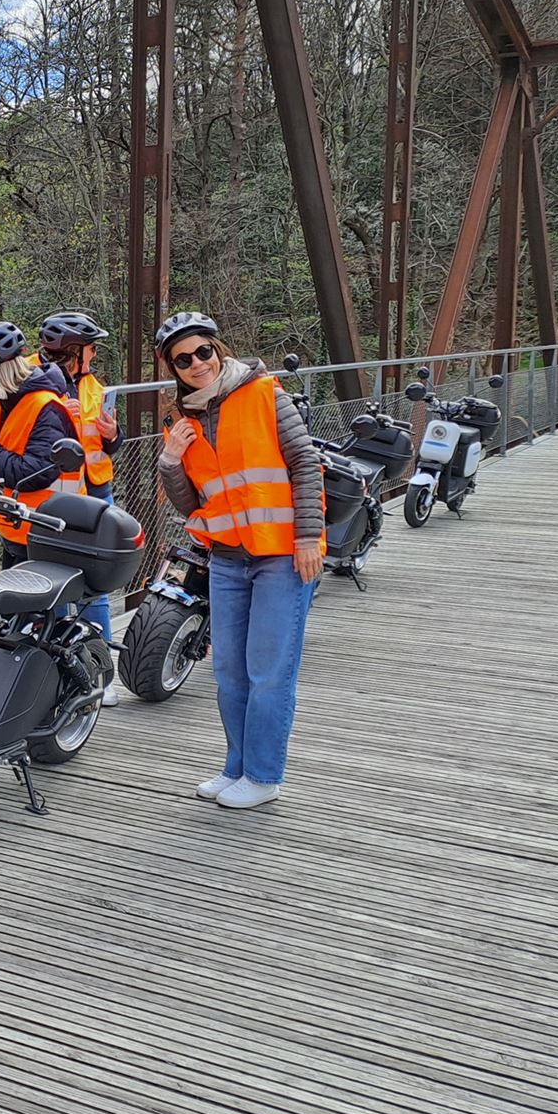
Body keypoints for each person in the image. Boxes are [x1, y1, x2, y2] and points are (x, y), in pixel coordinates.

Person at [153, 311, 324, 810]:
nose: (196, 364)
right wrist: (170, 460)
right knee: (229, 671)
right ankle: (237, 767)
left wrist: (308, 537)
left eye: (203, 351)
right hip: (227, 558)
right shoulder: (181, 423)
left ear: (218, 348)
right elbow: (191, 502)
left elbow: (305, 464)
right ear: (173, 368)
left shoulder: (265, 394)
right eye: (183, 360)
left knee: (269, 671)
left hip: (281, 555)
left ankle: (264, 776)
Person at [38, 309, 123, 704]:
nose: (95, 354)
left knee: (95, 586)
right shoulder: (33, 380)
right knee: (53, 586)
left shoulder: (94, 387)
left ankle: (99, 675)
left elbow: (108, 445)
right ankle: (57, 674)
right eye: (90, 348)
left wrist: (113, 434)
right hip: (51, 498)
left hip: (95, 494)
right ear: (74, 351)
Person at [0, 321, 86, 569]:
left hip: (44, 529)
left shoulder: (45, 407)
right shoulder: (9, 401)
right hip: (18, 525)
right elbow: (1, 454)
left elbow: (34, 472)